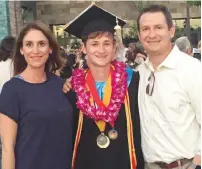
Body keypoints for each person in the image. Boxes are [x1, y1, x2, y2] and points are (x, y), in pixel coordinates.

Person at [63, 3, 144, 169]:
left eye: (107, 43)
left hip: (124, 162)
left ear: (114, 48)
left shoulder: (132, 81)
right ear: (84, 48)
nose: (101, 49)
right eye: (94, 43)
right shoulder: (72, 89)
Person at [0, 21, 74, 169]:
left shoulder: (61, 85)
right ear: (21, 50)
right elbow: (7, 148)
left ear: (50, 49)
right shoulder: (12, 90)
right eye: (29, 44)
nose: (35, 50)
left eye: (41, 44)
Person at [137, 5, 201, 169]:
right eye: (145, 29)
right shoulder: (139, 74)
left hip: (185, 164)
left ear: (171, 31)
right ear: (139, 35)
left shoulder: (192, 69)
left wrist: (197, 162)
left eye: (158, 27)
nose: (152, 34)